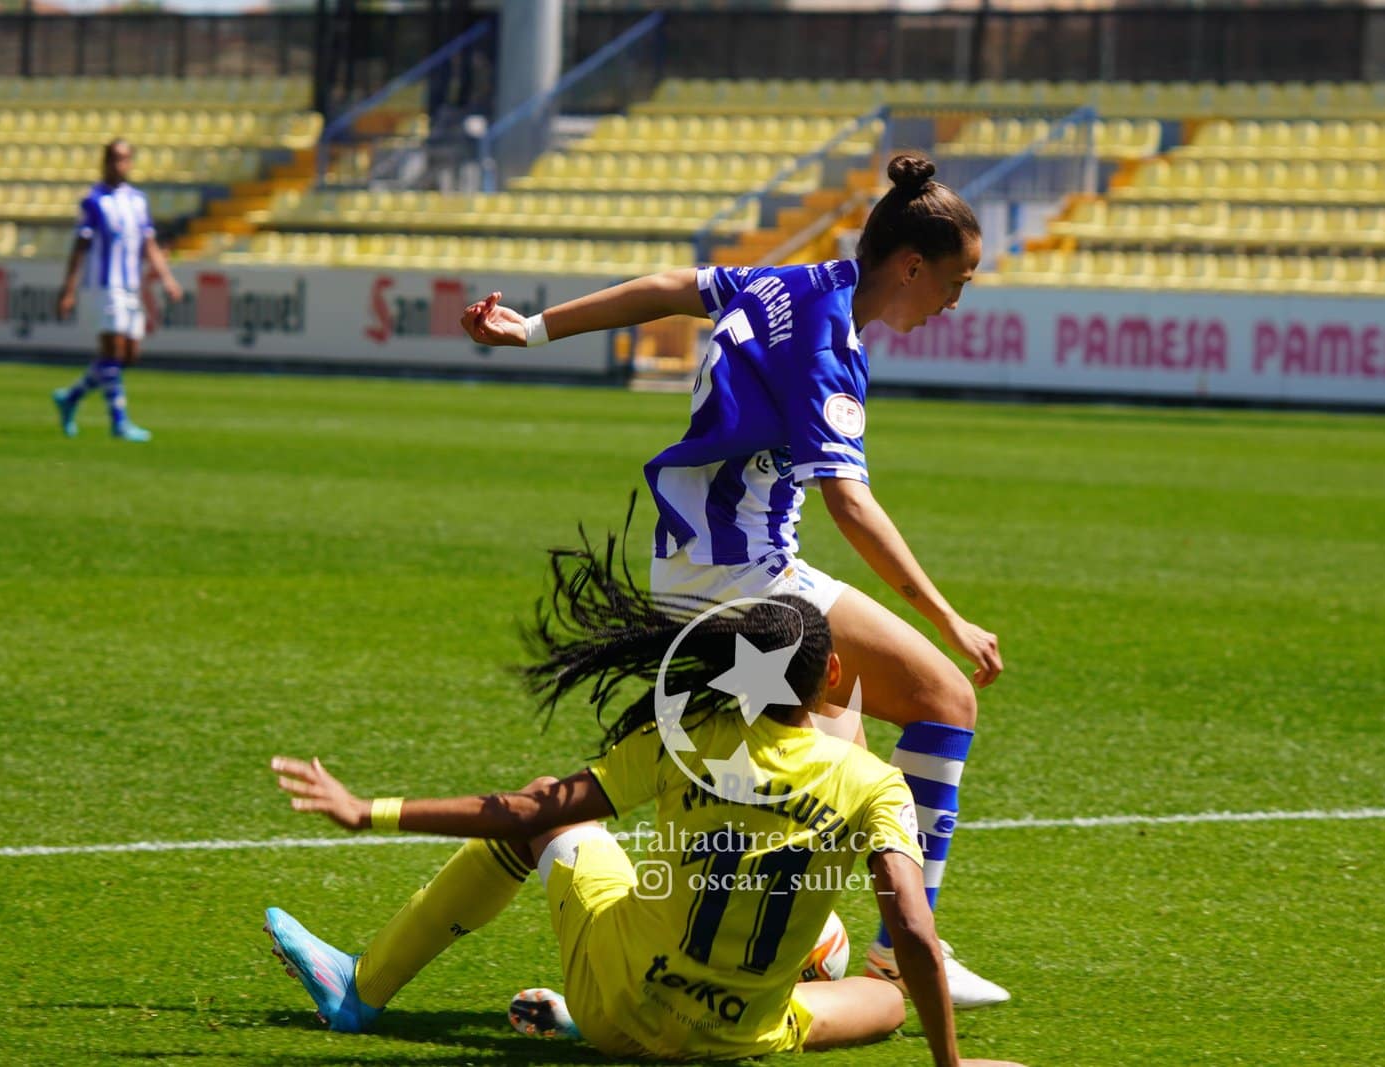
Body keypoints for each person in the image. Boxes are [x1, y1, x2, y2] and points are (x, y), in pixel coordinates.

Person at [457, 152, 1007, 1005]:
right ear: (911, 266)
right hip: (744, 578)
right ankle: (901, 953)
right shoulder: (829, 344)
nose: (955, 301)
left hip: (695, 564)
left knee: (837, 747)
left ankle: (767, 953)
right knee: (947, 699)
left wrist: (531, 329)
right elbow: (850, 504)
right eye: (956, 281)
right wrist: (949, 618)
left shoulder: (796, 282)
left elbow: (669, 287)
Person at [265, 547, 1022, 1065]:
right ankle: (801, 972)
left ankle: (362, 987)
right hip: (736, 1038)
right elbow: (913, 931)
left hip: (617, 1004)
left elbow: (528, 808)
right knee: (886, 1000)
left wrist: (370, 809)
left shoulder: (684, 737)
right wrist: (951, 1064)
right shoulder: (873, 782)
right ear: (832, 675)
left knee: (552, 814)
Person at [52, 139, 181, 443]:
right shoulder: (94, 201)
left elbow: (149, 244)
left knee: (129, 354)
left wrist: (167, 278)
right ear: (105, 162)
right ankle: (119, 422)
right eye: (113, 158)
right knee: (112, 351)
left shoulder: (137, 201)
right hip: (104, 286)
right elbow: (80, 246)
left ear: (130, 163)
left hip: (130, 286)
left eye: (124, 159)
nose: (118, 164)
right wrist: (69, 289)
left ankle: (71, 397)